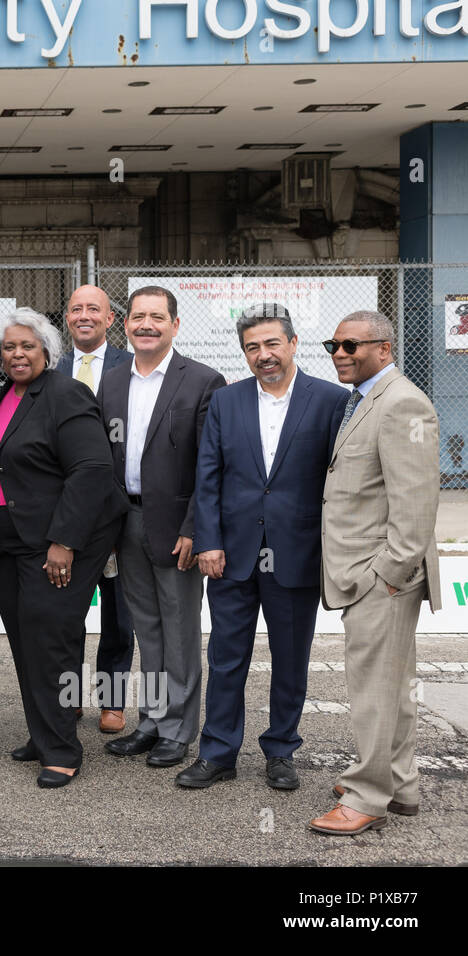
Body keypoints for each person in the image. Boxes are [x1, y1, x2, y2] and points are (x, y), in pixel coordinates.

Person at [178, 303, 348, 792]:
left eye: (272, 344)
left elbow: (339, 480)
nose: (264, 354)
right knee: (226, 657)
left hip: (296, 553)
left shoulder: (330, 401)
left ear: (293, 345)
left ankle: (280, 751)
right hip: (230, 555)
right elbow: (207, 476)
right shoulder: (226, 402)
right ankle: (217, 754)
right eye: (253, 347)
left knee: (290, 658)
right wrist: (208, 541)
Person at [0, 309, 127, 787]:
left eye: (28, 347)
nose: (17, 355)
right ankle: (43, 733)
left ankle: (62, 748)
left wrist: (64, 542)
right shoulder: (2, 396)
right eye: (9, 348)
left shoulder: (67, 394)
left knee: (51, 641)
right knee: (25, 639)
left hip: (54, 542)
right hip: (6, 540)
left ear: (47, 351)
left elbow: (91, 470)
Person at [309, 311, 440, 835]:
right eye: (333, 344)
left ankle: (366, 796)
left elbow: (415, 504)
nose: (340, 353)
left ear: (384, 349)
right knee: (393, 687)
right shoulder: (367, 399)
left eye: (351, 345)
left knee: (373, 691)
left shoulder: (402, 402)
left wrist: (387, 574)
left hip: (380, 578)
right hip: (370, 574)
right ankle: (401, 787)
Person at [99, 286, 226, 768]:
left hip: (178, 529)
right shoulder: (112, 382)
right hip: (125, 521)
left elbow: (210, 466)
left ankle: (178, 729)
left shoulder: (202, 381)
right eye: (138, 317)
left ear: (175, 325)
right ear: (125, 325)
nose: (146, 325)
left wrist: (197, 528)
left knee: (178, 630)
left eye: (157, 317)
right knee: (145, 629)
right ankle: (151, 722)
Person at [54, 284, 135, 737]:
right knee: (67, 612)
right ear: (67, 318)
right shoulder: (54, 366)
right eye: (76, 309)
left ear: (110, 319)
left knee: (118, 613)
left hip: (117, 507)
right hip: (68, 509)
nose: (84, 315)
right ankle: (68, 699)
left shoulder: (130, 365)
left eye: (94, 309)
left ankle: (113, 700)